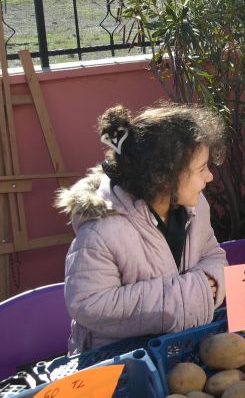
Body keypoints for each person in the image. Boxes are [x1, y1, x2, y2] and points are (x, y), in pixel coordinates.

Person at [58, 104, 227, 354]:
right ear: (162, 176)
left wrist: (211, 280)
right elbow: (88, 303)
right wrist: (190, 294)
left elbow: (212, 253)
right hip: (120, 362)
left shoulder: (195, 206)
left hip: (180, 347)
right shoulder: (102, 230)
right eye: (201, 168)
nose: (210, 177)